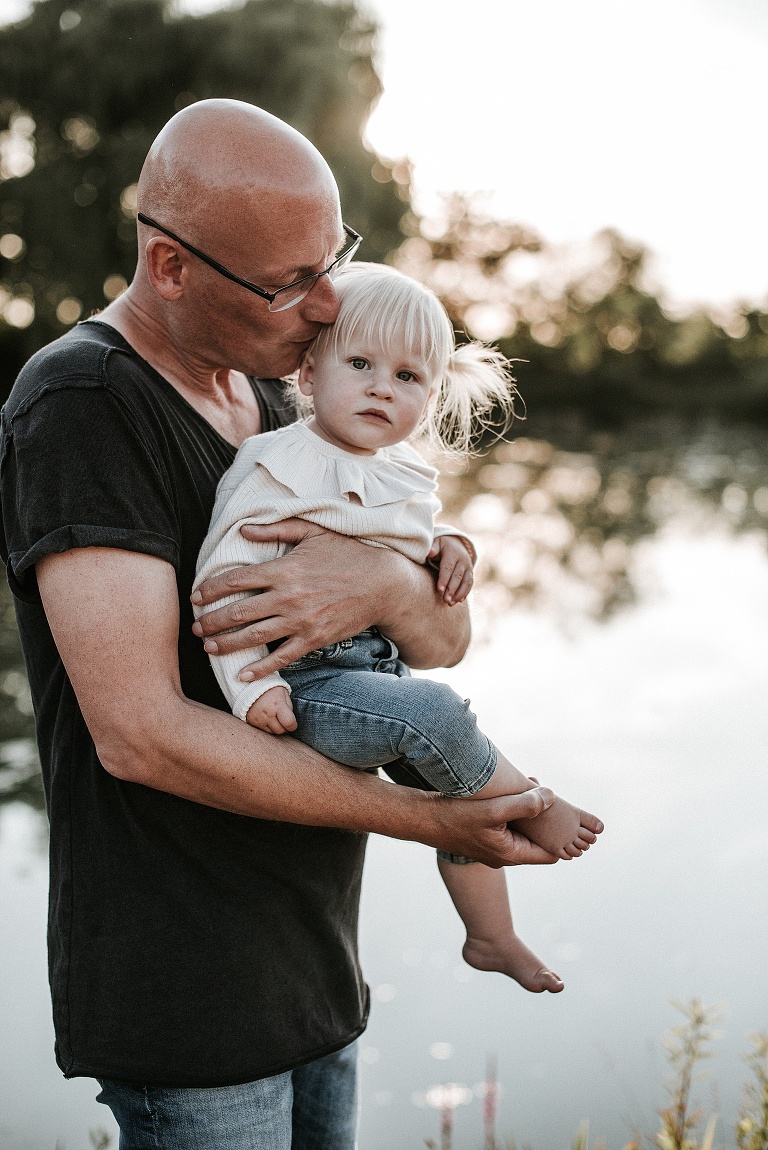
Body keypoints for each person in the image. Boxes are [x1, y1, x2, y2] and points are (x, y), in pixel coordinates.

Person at [0, 99, 580, 1150]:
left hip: (313, 955)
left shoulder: (284, 405)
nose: (325, 308)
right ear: (171, 267)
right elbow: (138, 731)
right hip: (189, 992)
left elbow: (441, 645)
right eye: (287, 283)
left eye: (333, 263)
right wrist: (434, 821)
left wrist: (390, 586)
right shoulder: (84, 403)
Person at [194, 261, 603, 996]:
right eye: (361, 365)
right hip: (305, 686)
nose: (384, 386)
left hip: (377, 674)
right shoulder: (278, 466)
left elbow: (408, 540)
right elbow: (222, 587)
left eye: (409, 377)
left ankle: (492, 935)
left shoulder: (401, 471)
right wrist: (252, 690)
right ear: (310, 375)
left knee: (460, 794)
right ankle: (534, 802)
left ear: (432, 396)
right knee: (439, 717)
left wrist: (452, 547)